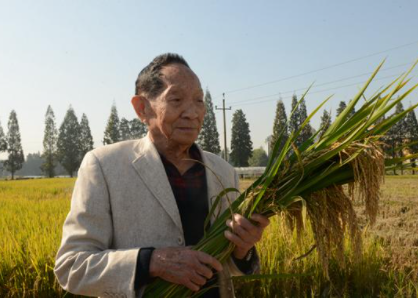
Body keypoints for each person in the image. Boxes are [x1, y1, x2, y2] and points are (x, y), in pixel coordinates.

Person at [54, 53, 270, 298]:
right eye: (176, 99)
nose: (192, 113)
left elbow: (230, 267)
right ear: (142, 108)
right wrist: (152, 262)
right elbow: (72, 267)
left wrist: (243, 249)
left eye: (199, 101)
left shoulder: (223, 172)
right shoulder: (104, 166)